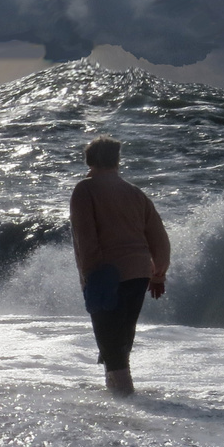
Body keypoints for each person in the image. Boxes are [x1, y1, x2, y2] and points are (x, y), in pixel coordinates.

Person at [69, 135, 170, 397]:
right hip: (139, 274)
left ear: (90, 160)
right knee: (121, 338)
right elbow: (158, 236)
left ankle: (127, 403)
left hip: (106, 273)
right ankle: (115, 396)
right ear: (117, 161)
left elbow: (85, 237)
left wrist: (89, 275)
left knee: (110, 342)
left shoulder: (85, 189)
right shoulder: (136, 193)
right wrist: (158, 273)